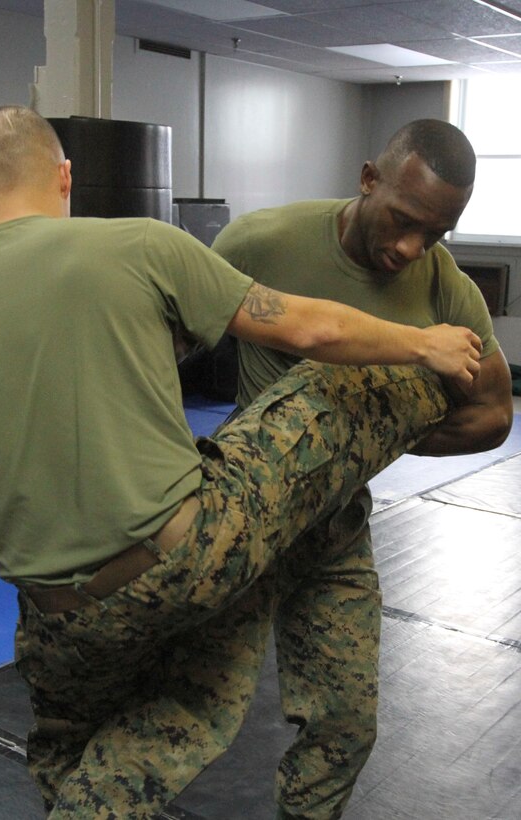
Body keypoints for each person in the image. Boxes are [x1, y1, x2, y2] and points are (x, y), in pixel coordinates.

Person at [0, 107, 483, 820]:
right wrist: (423, 348)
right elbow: (314, 328)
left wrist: (77, 563)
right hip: (195, 551)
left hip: (52, 605)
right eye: (404, 220)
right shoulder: (141, 245)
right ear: (65, 177)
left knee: (75, 748)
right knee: (352, 383)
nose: (413, 246)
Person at [212, 118, 513, 819]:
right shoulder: (263, 241)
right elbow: (162, 351)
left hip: (334, 527)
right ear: (369, 178)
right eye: (403, 222)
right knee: (176, 713)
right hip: (235, 513)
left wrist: (368, 439)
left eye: (434, 235)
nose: (410, 249)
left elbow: (495, 412)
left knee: (346, 725)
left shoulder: (444, 288)